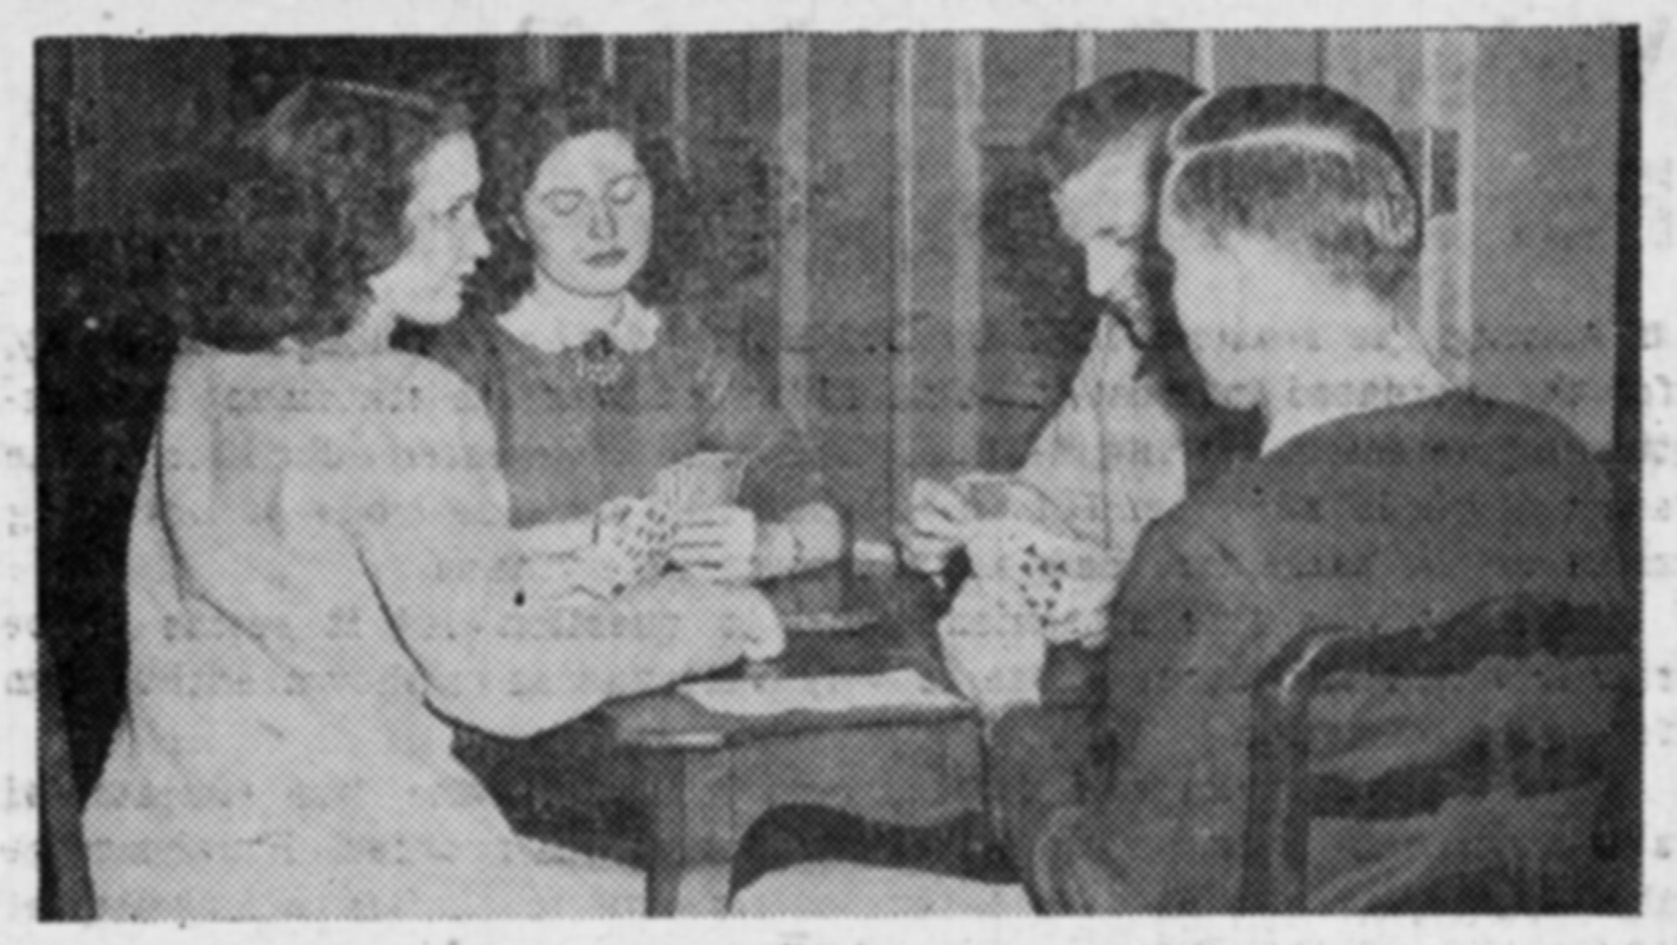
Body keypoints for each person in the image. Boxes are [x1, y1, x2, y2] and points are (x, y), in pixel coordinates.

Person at [82, 81, 779, 919]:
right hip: (349, 879)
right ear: (356, 225)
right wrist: (707, 614)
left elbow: (314, 576)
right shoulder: (405, 396)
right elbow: (501, 684)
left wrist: (544, 556)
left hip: (152, 867)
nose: (482, 243)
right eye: (449, 213)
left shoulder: (206, 373)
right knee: (730, 904)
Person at [1001, 84, 1628, 912]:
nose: (1172, 302)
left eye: (1177, 266)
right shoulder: (1563, 468)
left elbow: (1115, 905)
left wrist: (1006, 705)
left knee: (788, 854)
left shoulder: (1217, 545)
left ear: (1238, 275)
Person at [900, 70, 1260, 717]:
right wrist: (970, 511)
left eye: (1120, 238)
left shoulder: (1274, 372)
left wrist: (1124, 603)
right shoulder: (1121, 339)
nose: (1096, 283)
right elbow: (1053, 502)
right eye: (1082, 246)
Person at [420, 84, 844, 593]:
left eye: (623, 194)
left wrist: (775, 547)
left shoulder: (686, 345)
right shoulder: (463, 361)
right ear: (513, 220)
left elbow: (808, 491)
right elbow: (434, 561)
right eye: (564, 204)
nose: (604, 227)